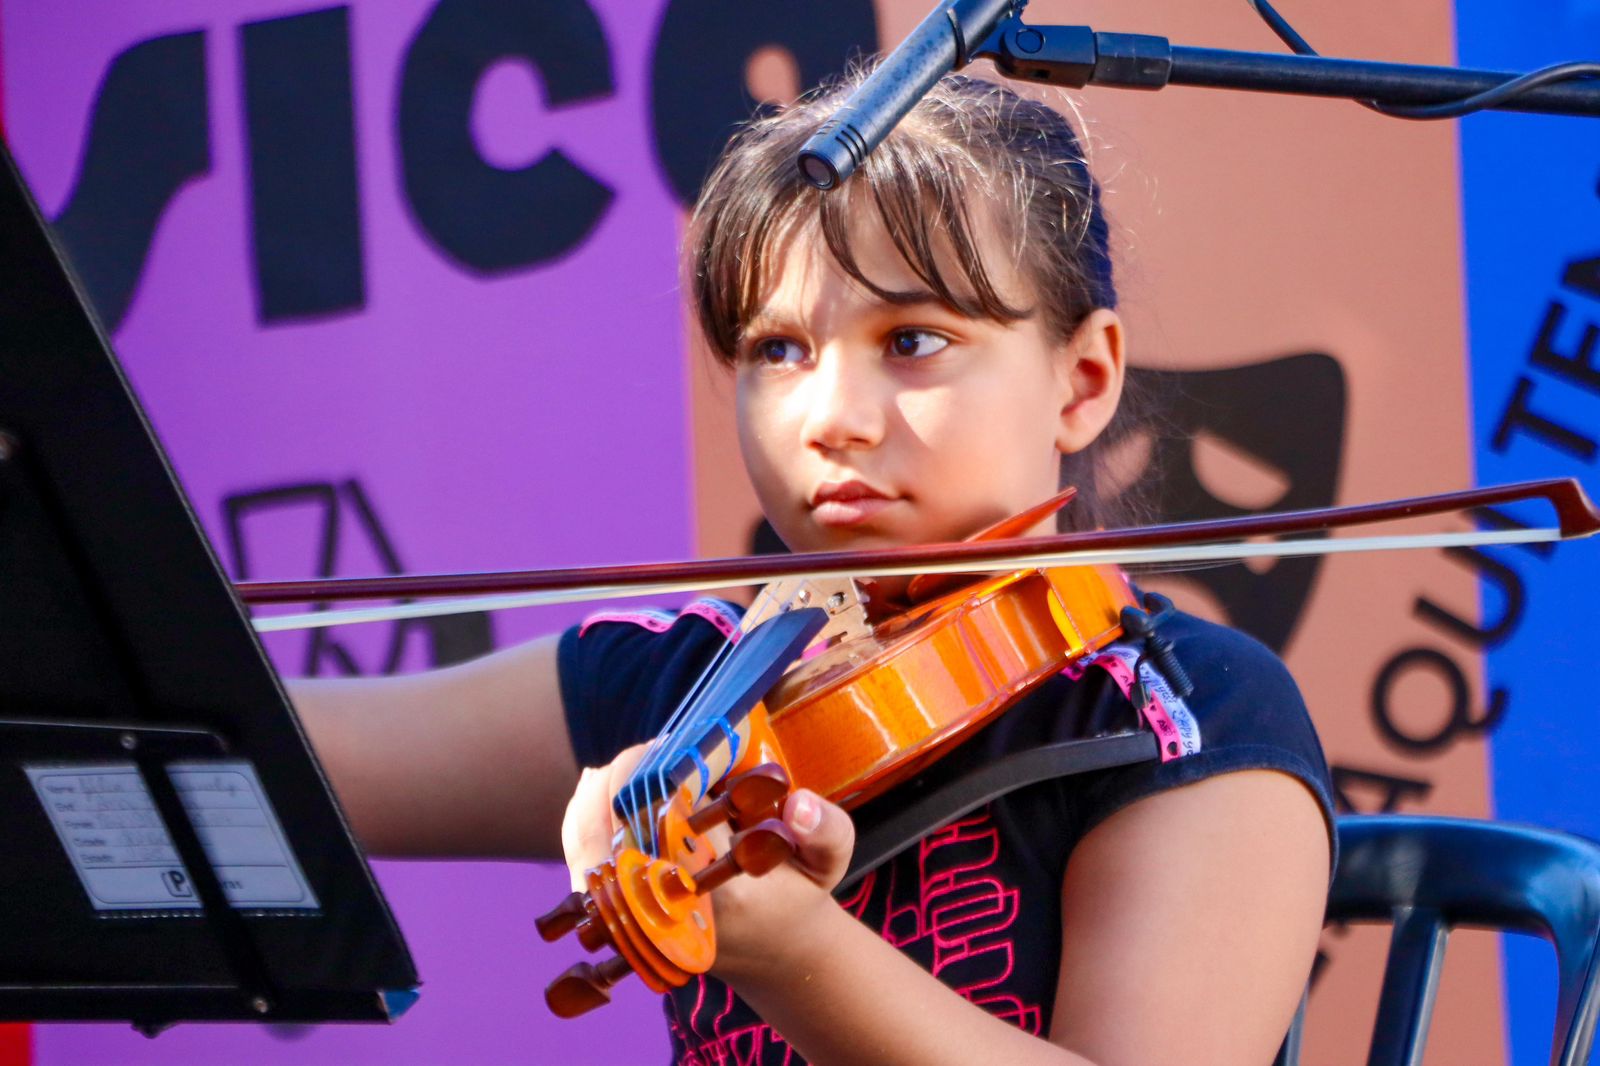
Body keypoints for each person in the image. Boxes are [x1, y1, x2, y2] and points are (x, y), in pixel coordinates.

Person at [293, 72, 1333, 1066]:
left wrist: (795, 953)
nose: (831, 418)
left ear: (1084, 380)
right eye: (778, 350)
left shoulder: (1183, 715)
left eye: (914, 339)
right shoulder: (686, 681)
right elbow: (270, 751)